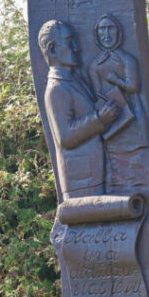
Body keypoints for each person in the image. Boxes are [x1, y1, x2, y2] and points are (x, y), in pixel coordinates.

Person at [39, 19, 120, 197]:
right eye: (69, 41)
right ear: (53, 49)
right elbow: (65, 137)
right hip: (80, 179)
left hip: (92, 173)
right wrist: (99, 118)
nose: (76, 48)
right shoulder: (56, 89)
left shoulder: (72, 80)